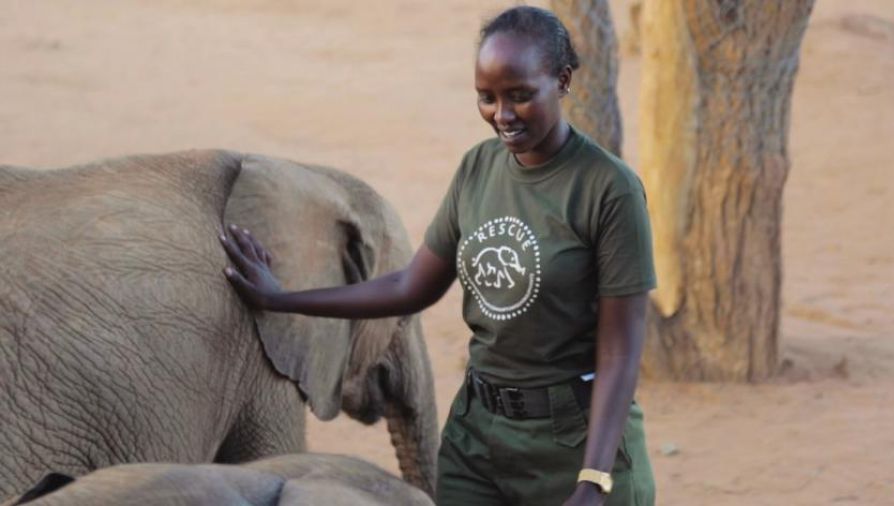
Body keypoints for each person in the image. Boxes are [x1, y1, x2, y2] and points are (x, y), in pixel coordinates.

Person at [220, 6, 656, 506]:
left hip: (574, 442)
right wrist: (284, 299)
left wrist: (595, 479)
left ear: (561, 81)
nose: (503, 115)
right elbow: (413, 285)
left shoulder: (608, 190)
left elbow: (621, 349)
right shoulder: (478, 168)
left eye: (520, 96)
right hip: (478, 438)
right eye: (486, 98)